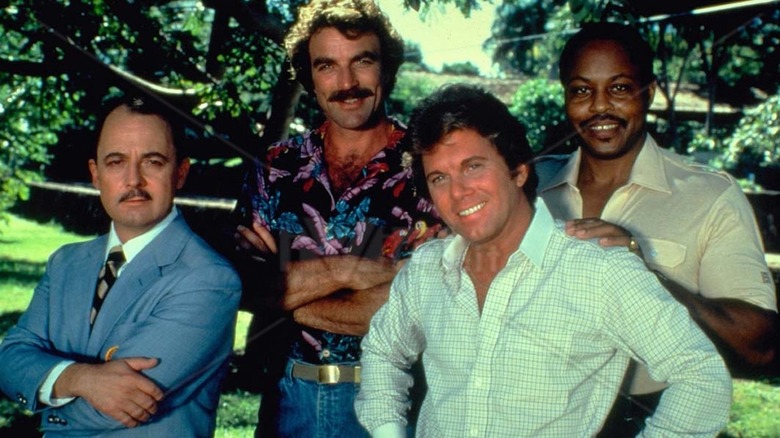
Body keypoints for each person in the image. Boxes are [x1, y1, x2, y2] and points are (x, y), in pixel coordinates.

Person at [355, 84, 732, 437]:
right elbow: (383, 351)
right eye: (439, 178)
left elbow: (701, 377)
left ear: (518, 170)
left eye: (473, 167)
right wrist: (389, 430)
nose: (458, 192)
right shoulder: (427, 269)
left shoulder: (599, 270)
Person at [534, 22, 778, 436]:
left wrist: (643, 273)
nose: (599, 107)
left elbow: (761, 349)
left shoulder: (709, 196)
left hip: (652, 421)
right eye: (581, 90)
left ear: (648, 92)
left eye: (619, 88)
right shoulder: (529, 188)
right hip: (530, 416)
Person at [232, 0, 441, 436]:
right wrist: (351, 270)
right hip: (286, 401)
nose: (347, 84)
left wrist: (286, 294)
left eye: (362, 61)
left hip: (392, 403)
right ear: (309, 78)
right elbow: (244, 285)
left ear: (386, 68)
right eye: (326, 66)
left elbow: (421, 307)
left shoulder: (429, 169)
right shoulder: (275, 168)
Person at [0, 95, 242, 436]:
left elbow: (121, 407)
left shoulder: (209, 278)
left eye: (153, 162)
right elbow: (9, 359)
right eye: (116, 162)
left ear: (180, 173)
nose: (133, 180)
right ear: (95, 174)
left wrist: (45, 384)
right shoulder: (66, 263)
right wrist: (80, 378)